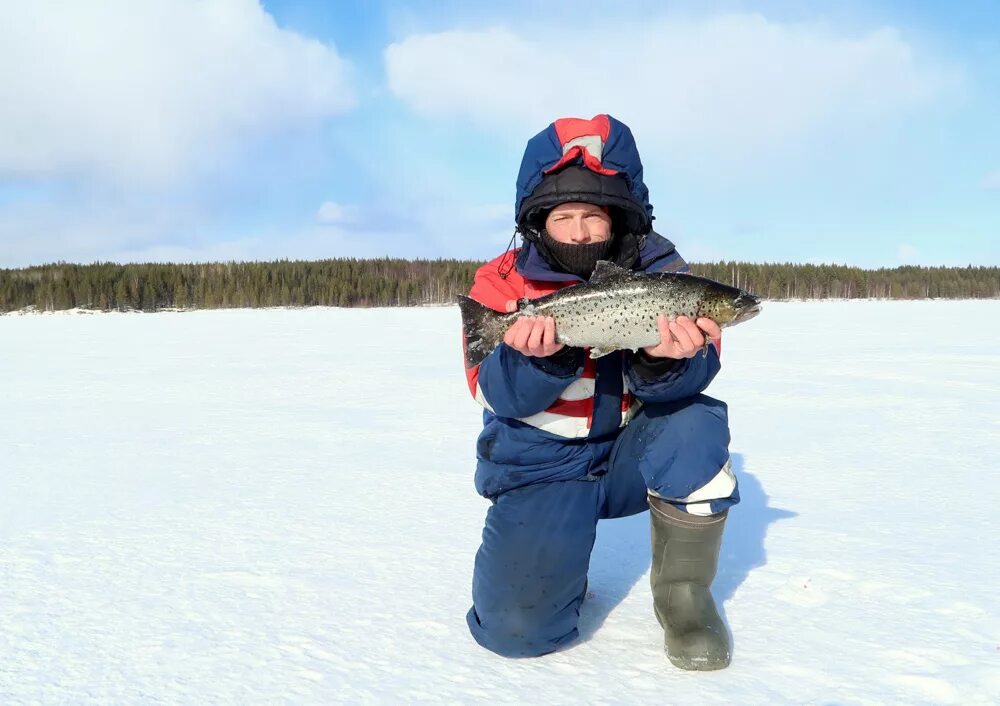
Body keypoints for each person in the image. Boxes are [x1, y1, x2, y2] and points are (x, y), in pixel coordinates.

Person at [460, 114, 739, 670]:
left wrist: (666, 361)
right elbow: (495, 398)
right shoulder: (502, 280)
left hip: (628, 455)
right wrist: (545, 358)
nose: (582, 231)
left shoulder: (661, 270)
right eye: (566, 216)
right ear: (539, 218)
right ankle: (557, 559)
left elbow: (700, 371)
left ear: (618, 216)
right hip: (539, 466)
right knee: (516, 633)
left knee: (696, 423)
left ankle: (685, 599)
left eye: (594, 215)